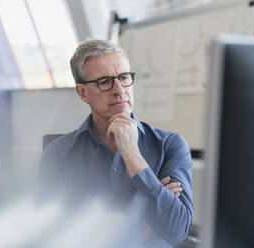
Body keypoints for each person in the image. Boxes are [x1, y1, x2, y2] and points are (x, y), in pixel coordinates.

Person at [40, 39, 193, 247]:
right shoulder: (58, 153)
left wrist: (132, 154)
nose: (119, 89)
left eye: (124, 77)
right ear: (83, 92)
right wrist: (145, 222)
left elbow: (176, 231)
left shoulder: (170, 145)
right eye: (104, 82)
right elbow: (51, 235)